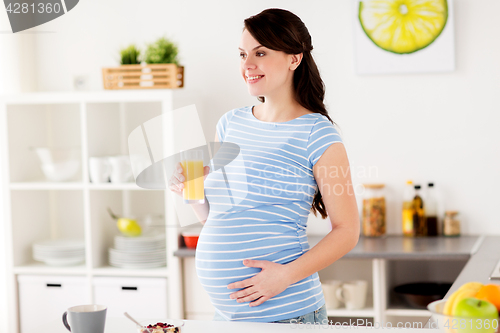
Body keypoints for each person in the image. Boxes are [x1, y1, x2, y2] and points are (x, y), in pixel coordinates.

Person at [169, 8, 359, 324]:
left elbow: (347, 231)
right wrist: (192, 191)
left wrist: (284, 276)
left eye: (260, 52)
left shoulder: (317, 133)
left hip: (287, 315)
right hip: (227, 315)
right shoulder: (230, 123)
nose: (247, 65)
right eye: (243, 54)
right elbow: (217, 219)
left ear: (294, 58)